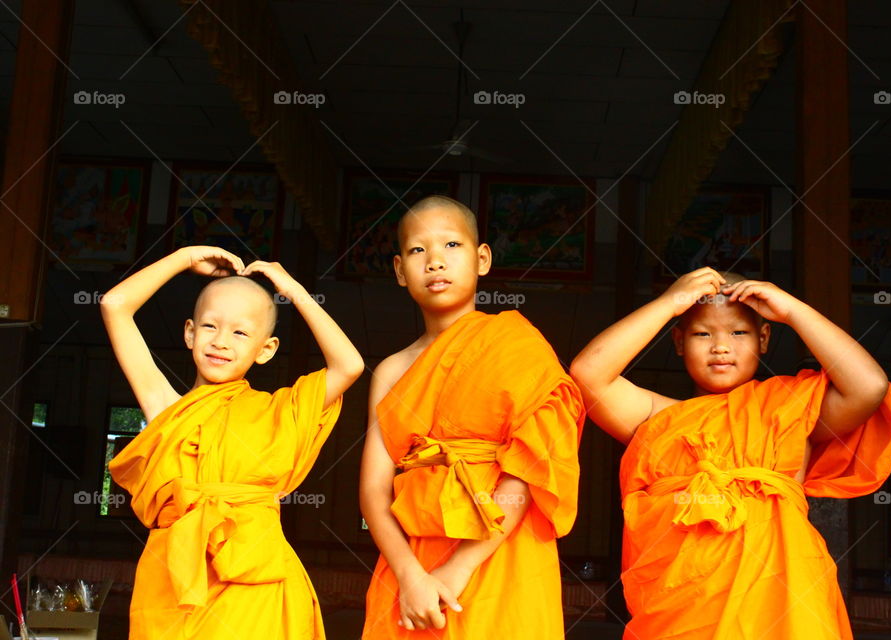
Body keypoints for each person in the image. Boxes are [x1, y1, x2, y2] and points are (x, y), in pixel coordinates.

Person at [570, 267, 891, 639]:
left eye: (738, 332)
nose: (721, 346)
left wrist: (793, 310)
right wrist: (669, 304)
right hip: (684, 605)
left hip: (783, 596)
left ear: (764, 337)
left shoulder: (788, 407)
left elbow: (868, 386)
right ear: (678, 342)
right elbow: (588, 373)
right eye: (702, 333)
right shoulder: (655, 416)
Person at [103, 246, 364, 640]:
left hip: (255, 581)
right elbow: (114, 305)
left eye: (241, 332)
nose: (221, 341)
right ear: (190, 333)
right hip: (172, 583)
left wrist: (292, 288)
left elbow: (349, 365)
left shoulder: (282, 410)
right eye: (210, 326)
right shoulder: (167, 408)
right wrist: (185, 257)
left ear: (266, 350)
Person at [359, 196, 585, 638]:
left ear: (482, 258)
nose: (435, 261)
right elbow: (372, 490)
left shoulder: (517, 346)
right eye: (418, 250)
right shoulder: (391, 370)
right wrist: (409, 575)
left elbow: (530, 467)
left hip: (501, 550)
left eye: (452, 245)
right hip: (414, 561)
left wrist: (459, 568)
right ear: (400, 270)